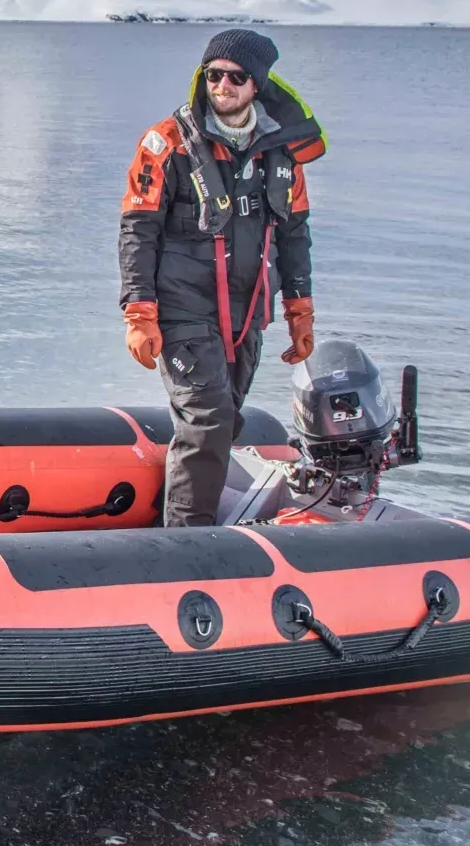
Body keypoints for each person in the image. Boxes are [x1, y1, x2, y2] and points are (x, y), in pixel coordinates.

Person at [118, 28, 325, 527]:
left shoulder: (282, 155)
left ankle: (174, 524)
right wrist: (139, 312)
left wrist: (300, 312)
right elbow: (137, 230)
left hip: (247, 313)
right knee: (207, 422)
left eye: (235, 77)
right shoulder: (166, 144)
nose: (223, 85)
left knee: (223, 422)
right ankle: (188, 547)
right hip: (182, 308)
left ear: (256, 85)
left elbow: (295, 236)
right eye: (214, 75)